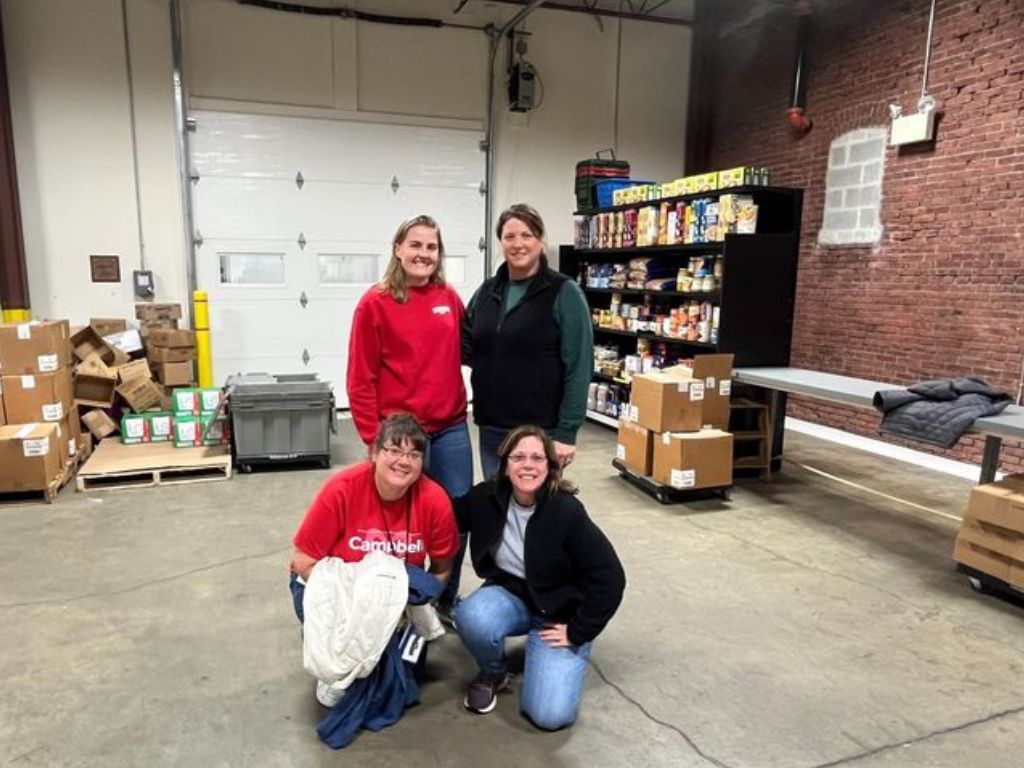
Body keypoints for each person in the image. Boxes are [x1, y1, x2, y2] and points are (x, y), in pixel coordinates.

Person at [453, 425, 626, 730]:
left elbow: (610, 577)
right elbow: (443, 514)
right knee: (472, 615)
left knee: (549, 716)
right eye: (518, 457)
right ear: (505, 465)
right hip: (512, 596)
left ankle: (560, 652)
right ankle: (494, 671)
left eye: (537, 458)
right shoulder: (485, 498)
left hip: (558, 615)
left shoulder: (566, 511)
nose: (528, 465)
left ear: (550, 465)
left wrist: (578, 630)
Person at [347, 214, 473, 615]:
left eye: (431, 247)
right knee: (401, 521)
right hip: (401, 435)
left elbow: (476, 349)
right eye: (415, 245)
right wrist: (373, 438)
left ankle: (444, 599)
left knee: (456, 514)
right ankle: (402, 601)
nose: (423, 253)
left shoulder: (448, 299)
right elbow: (360, 377)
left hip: (451, 426)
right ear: (398, 250)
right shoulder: (375, 303)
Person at [288, 413, 460, 705]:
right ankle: (330, 651)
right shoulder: (342, 488)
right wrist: (359, 605)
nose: (403, 461)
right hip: (338, 592)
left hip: (395, 600)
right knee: (340, 685)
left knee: (403, 682)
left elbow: (442, 570)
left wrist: (411, 604)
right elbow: (303, 562)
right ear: (375, 453)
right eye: (394, 450)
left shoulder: (434, 499)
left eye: (414, 454)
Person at [463, 203, 594, 479]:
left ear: (541, 240)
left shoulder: (564, 292)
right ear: (501, 242)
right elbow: (466, 343)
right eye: (509, 237)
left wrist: (567, 432)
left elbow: (579, 367)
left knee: (536, 514)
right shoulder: (487, 291)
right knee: (498, 505)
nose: (518, 244)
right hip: (492, 427)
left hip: (539, 431)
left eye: (527, 235)